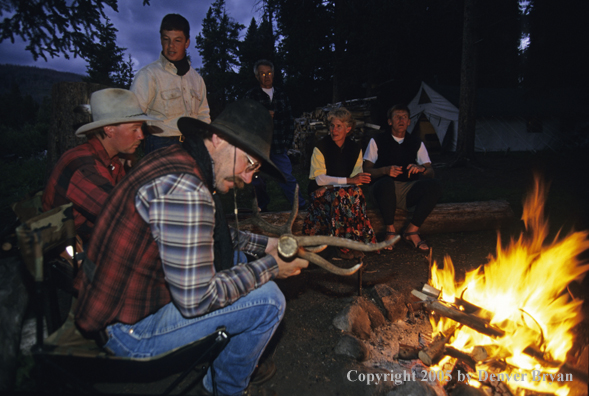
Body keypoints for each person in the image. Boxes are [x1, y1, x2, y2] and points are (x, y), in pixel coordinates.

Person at [73, 99, 309, 396]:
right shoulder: (186, 189)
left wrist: (268, 244)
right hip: (126, 331)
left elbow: (211, 234)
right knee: (269, 300)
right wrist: (272, 265)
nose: (249, 179)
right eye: (249, 164)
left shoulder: (179, 158)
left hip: (119, 302)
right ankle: (227, 390)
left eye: (256, 170)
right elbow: (197, 299)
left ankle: (218, 375)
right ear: (220, 140)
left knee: (235, 258)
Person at [42, 88, 155, 245]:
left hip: (90, 238)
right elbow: (123, 217)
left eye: (141, 129)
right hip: (66, 252)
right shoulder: (83, 166)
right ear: (109, 130)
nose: (141, 136)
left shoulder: (114, 160)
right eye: (134, 129)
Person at [363, 104, 442, 251]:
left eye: (404, 117)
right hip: (382, 189)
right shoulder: (378, 141)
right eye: (397, 117)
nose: (401, 120)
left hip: (407, 189)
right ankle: (390, 232)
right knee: (387, 182)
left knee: (435, 185)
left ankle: (412, 231)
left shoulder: (416, 142)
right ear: (390, 122)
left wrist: (422, 169)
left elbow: (431, 171)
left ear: (409, 122)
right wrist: (385, 171)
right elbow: (366, 170)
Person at [131, 13, 210, 154]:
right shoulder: (149, 75)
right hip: (161, 144)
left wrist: (205, 143)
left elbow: (203, 115)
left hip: (193, 145)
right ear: (161, 40)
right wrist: (128, 153)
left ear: (187, 43)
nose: (171, 46)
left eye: (177, 40)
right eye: (166, 39)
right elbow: (132, 116)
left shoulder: (197, 79)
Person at [303, 108, 376, 259]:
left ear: (348, 129)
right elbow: (320, 180)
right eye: (332, 126)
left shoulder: (355, 148)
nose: (334, 130)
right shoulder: (321, 147)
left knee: (355, 193)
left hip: (340, 191)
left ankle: (355, 242)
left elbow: (358, 179)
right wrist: (347, 181)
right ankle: (341, 247)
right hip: (318, 191)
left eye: (338, 126)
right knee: (343, 194)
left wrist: (330, 186)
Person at [244, 59, 306, 211]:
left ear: (274, 74)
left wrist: (288, 142)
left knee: (287, 177)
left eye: (269, 73)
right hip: (258, 147)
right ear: (257, 76)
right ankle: (262, 209)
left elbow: (289, 121)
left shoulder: (281, 95)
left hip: (278, 146)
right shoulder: (251, 96)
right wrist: (262, 115)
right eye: (262, 74)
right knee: (257, 180)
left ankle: (300, 206)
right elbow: (245, 120)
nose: (266, 76)